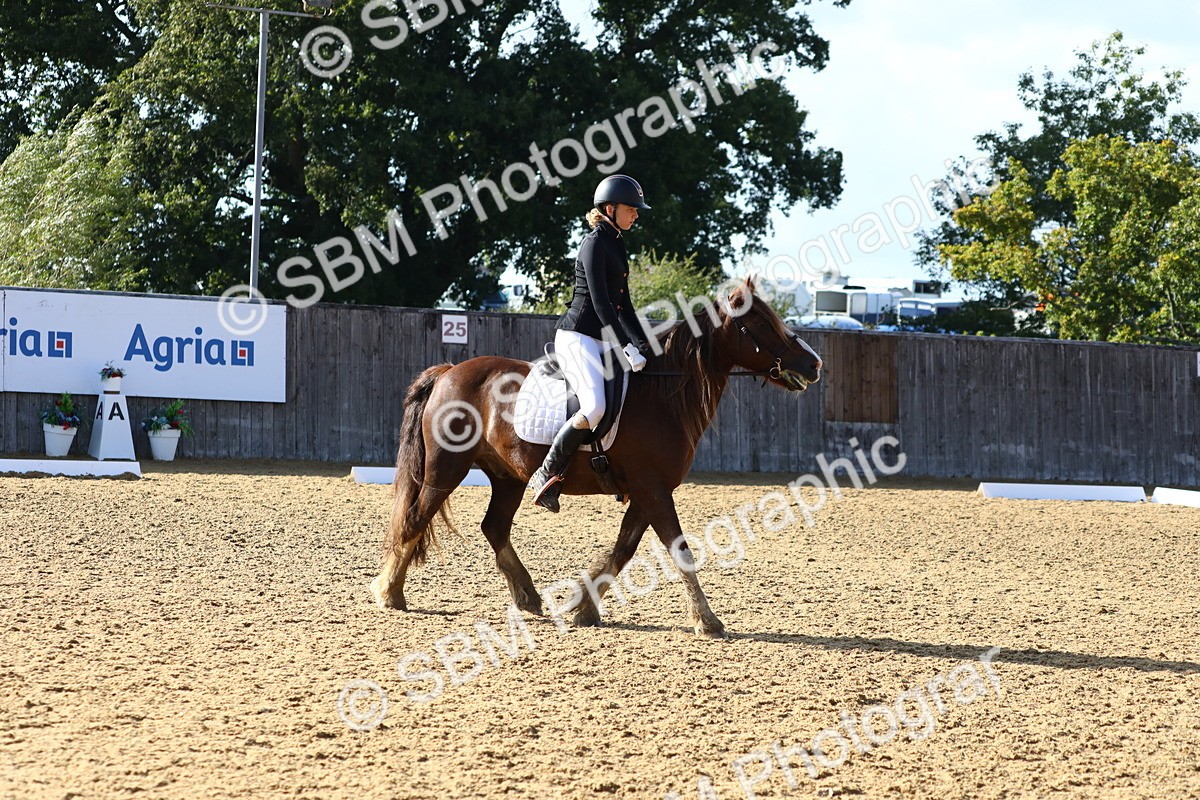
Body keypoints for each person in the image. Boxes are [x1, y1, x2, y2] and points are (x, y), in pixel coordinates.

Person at [528, 174, 652, 512]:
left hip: (601, 340)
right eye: (631, 209)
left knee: (634, 392)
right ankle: (547, 472)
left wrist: (644, 345)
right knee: (595, 406)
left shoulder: (617, 243)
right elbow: (601, 304)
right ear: (610, 209)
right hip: (577, 338)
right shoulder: (594, 243)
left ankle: (619, 471)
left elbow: (625, 306)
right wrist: (626, 346)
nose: (636, 215)